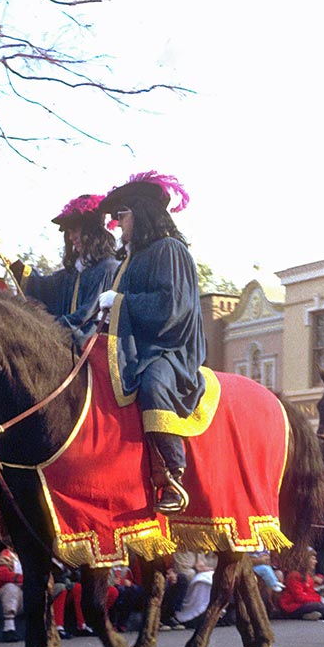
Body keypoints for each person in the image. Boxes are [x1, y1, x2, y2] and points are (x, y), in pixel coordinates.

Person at [96, 171, 203, 515]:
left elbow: (171, 308)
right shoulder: (130, 258)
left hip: (166, 349)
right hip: (130, 346)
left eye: (121, 215)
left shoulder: (170, 250)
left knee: (154, 383)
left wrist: (122, 302)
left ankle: (172, 472)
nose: (117, 223)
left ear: (140, 213)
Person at [0, 193, 120, 341]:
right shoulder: (73, 273)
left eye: (75, 230)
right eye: (69, 232)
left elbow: (85, 317)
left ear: (91, 230)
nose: (72, 237)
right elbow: (41, 288)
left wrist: (45, 326)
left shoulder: (107, 268)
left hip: (91, 349)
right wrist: (14, 261)